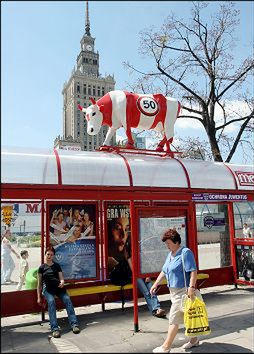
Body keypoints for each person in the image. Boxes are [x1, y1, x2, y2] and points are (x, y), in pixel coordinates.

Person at [150, 229, 200, 353]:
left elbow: (193, 270)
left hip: (183, 291)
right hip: (173, 292)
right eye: (166, 243)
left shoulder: (185, 252)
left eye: (168, 243)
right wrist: (155, 283)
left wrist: (191, 288)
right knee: (187, 316)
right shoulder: (171, 254)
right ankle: (194, 340)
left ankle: (166, 347)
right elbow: (164, 270)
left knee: (173, 319)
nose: (167, 246)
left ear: (176, 241)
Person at [37, 246, 80, 338]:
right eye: (48, 254)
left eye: (51, 255)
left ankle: (74, 324)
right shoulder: (41, 268)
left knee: (67, 299)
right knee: (51, 301)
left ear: (53, 256)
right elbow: (39, 284)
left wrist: (62, 282)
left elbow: (61, 278)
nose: (49, 256)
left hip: (58, 288)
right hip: (47, 290)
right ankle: (55, 329)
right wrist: (39, 297)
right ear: (45, 255)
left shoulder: (57, 266)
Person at [124, 237, 166, 318]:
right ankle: (155, 310)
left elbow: (146, 266)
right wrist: (142, 275)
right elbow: (134, 271)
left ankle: (157, 308)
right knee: (146, 292)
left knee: (152, 290)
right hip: (137, 276)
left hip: (144, 274)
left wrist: (147, 276)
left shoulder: (141, 253)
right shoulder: (129, 257)